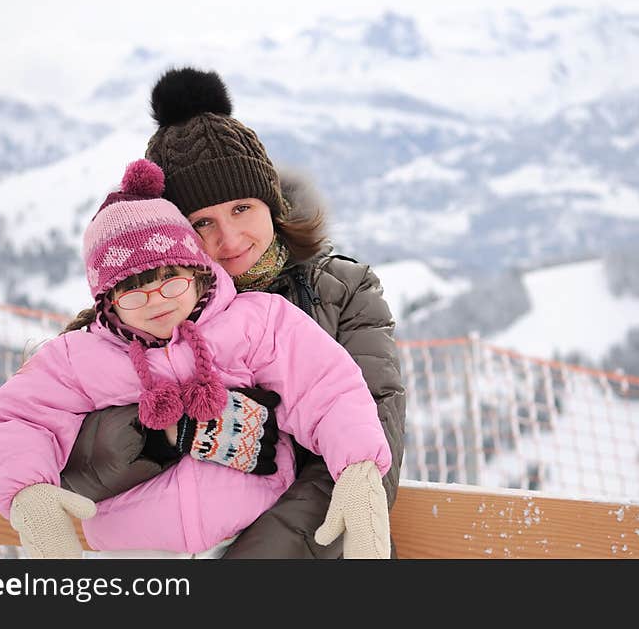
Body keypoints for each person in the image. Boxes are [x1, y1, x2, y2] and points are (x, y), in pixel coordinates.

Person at [63, 67, 406, 558]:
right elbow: (62, 447)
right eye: (202, 222)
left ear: (271, 202)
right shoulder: (142, 312)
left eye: (242, 208)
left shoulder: (341, 293)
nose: (229, 239)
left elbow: (367, 455)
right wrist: (167, 428)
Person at [0, 158, 392, 559]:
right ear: (108, 301)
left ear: (198, 273)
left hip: (247, 529)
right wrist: (27, 492)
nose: (156, 301)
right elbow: (21, 416)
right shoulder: (80, 356)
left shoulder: (255, 323)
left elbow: (325, 387)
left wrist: (357, 467)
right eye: (134, 290)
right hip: (137, 547)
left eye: (170, 281)